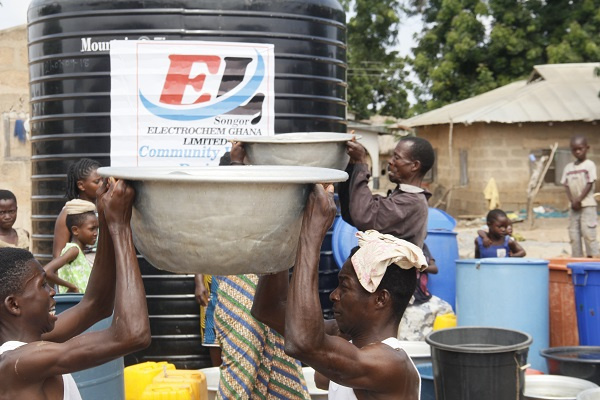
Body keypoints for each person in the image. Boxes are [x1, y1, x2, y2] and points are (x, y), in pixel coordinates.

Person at [252, 185, 426, 399]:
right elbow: (268, 309)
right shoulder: (346, 338)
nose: (334, 295)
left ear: (380, 299)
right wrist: (284, 227)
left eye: (345, 287)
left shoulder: (391, 364)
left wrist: (312, 234)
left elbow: (303, 342)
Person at [0, 178, 151, 400]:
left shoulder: (36, 340)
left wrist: (105, 216)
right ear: (14, 305)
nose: (52, 291)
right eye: (42, 285)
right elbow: (133, 335)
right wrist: (120, 227)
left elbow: (96, 305)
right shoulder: (18, 362)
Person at [212, 144, 311, 400]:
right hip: (238, 290)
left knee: (281, 364)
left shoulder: (266, 207)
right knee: (245, 362)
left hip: (270, 292)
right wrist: (237, 165)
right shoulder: (218, 209)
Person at [338, 136, 434, 248]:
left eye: (396, 158)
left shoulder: (411, 202)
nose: (390, 161)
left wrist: (361, 163)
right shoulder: (403, 197)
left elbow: (365, 217)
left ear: (415, 166)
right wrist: (352, 165)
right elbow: (351, 212)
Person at [398, 243, 453, 341]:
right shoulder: (400, 245)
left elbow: (435, 269)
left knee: (446, 308)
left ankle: (439, 343)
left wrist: (419, 265)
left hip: (423, 294)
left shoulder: (423, 246)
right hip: (406, 296)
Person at [44, 199, 99, 293]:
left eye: (97, 229)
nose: (96, 233)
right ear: (75, 230)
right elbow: (46, 271)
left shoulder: (79, 252)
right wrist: (72, 287)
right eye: (92, 229)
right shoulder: (74, 250)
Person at [53, 158, 102, 259]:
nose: (102, 184)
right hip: (83, 269)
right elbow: (58, 255)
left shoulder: (106, 208)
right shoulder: (70, 212)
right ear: (81, 185)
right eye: (97, 182)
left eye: (103, 180)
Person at [561, 135, 600, 258]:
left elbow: (590, 183)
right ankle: (577, 259)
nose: (577, 152)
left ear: (587, 148)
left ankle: (593, 259)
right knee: (574, 234)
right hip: (574, 207)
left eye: (580, 149)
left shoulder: (589, 165)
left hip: (588, 205)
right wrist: (572, 201)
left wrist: (579, 199)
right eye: (574, 149)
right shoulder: (568, 168)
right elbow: (566, 185)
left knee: (589, 233)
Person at [194, 273, 222, 367]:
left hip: (244, 280)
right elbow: (199, 257)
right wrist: (199, 282)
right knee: (215, 339)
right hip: (214, 280)